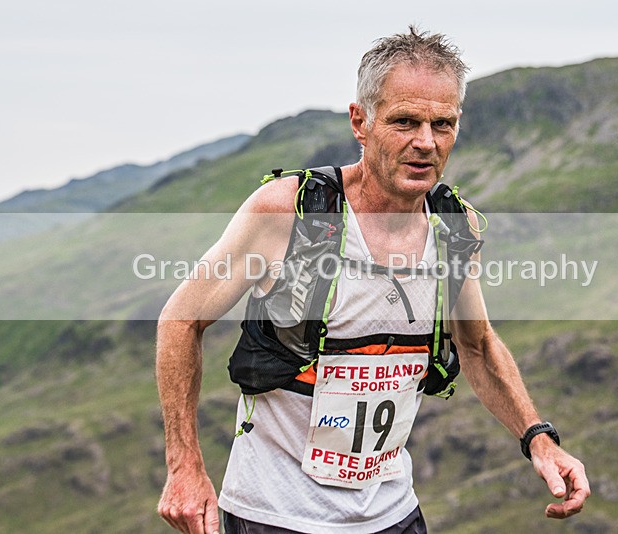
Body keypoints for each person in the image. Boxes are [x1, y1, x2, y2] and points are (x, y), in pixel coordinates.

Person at [156, 26, 589, 534]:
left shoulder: (456, 228)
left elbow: (477, 345)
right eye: (405, 121)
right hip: (274, 515)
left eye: (442, 124)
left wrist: (539, 438)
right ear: (360, 122)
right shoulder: (287, 212)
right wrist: (184, 466)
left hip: (393, 514)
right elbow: (181, 320)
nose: (425, 143)